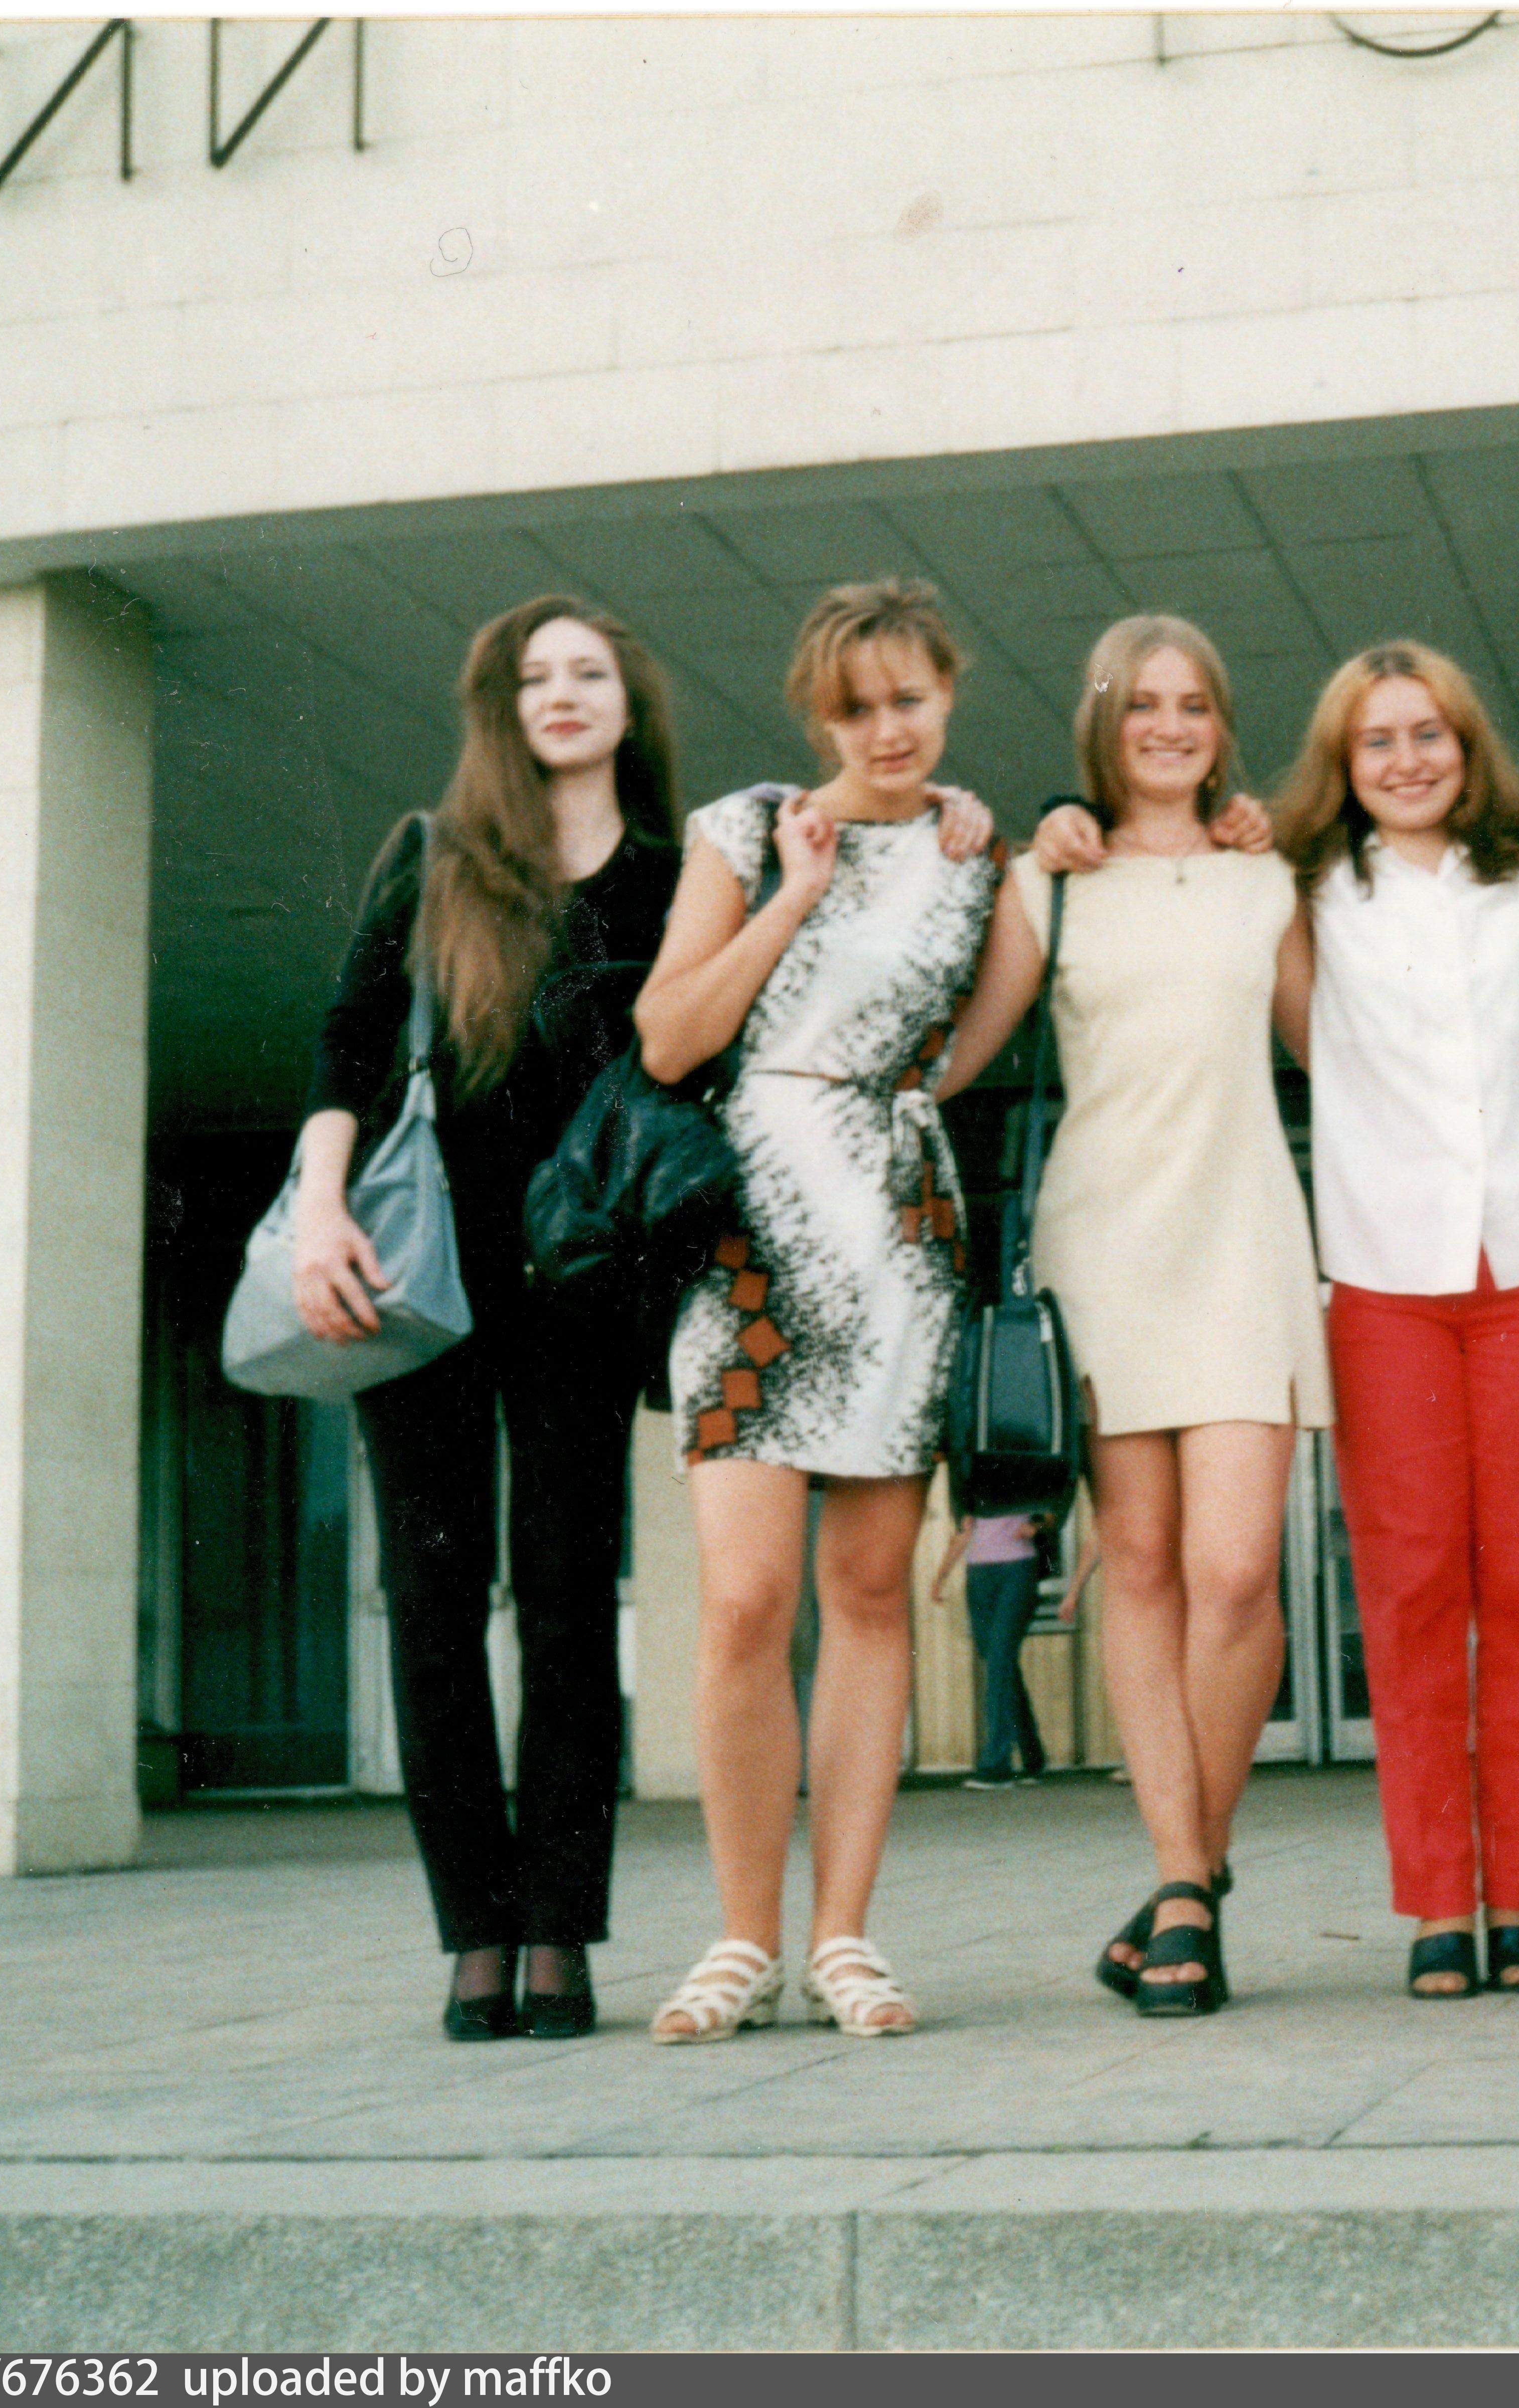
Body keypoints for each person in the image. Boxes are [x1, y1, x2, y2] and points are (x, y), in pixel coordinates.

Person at [630, 579, 1041, 2042]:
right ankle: (743, 1937)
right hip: (748, 1228)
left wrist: (899, 1106)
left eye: (909, 699)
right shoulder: (745, 831)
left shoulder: (982, 860)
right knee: (747, 1597)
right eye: (855, 706)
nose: (886, 728)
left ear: (949, 692)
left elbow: (971, 1043)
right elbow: (669, 1034)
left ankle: (844, 1935)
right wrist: (795, 893)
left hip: (894, 1236)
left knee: (870, 1593)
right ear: (817, 713)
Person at [291, 597, 685, 2043]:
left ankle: (560, 1927)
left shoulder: (672, 878)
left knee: (573, 1604)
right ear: (499, 707)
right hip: (421, 1274)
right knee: (434, 1602)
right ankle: (476, 1932)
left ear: (629, 702)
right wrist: (321, 1210)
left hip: (579, 1282)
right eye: (534, 677)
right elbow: (348, 1040)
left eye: (589, 671)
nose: (562, 694)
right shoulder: (435, 858)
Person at [1004, 614, 1333, 2018]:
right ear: (1104, 720)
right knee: (1139, 1565)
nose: (1170, 725)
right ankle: (1185, 1882)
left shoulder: (1268, 872)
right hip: (1104, 1245)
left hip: (1245, 1234)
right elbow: (961, 1048)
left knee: (1238, 1572)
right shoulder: (1050, 878)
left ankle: (1192, 1865)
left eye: (1194, 703)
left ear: (1220, 723)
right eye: (1143, 703)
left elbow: (1333, 1047)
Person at [1267, 640, 1519, 2000]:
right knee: (1410, 1592)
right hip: (1386, 1274)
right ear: (1343, 766)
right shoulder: (1300, 891)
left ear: (1468, 744)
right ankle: (1437, 1901)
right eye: (1377, 740)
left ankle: (1518, 1895)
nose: (1407, 760)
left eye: (1429, 733)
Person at [931, 1509, 1055, 1789]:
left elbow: (1053, 1509)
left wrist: (1036, 1524)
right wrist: (942, 1575)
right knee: (999, 1663)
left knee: (1000, 1662)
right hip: (979, 1575)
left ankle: (996, 1765)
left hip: (1017, 1570)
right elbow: (963, 1531)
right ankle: (1033, 1757)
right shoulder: (972, 1488)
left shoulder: (1023, 1481)